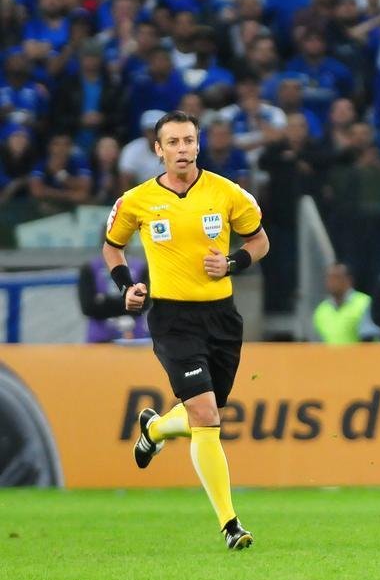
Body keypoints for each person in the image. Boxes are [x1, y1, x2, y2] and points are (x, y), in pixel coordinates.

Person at [103, 110, 269, 550]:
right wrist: (128, 288)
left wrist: (232, 263)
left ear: (199, 145)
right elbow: (112, 248)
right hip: (172, 317)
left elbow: (260, 241)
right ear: (157, 150)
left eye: (188, 141)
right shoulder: (135, 201)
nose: (182, 149)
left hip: (222, 318)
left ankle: (155, 431)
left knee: (204, 415)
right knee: (206, 417)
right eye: (172, 142)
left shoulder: (227, 192)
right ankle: (231, 525)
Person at [77, 252, 149, 343]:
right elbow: (87, 307)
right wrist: (128, 303)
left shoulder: (141, 267)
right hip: (99, 338)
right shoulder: (89, 268)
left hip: (135, 337)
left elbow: (145, 303)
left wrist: (104, 300)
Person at [312, 262, 380, 345]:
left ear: (348, 280)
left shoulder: (364, 303)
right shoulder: (321, 310)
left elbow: (369, 339)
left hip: (360, 357)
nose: (331, 282)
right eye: (329, 277)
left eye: (336, 277)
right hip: (329, 358)